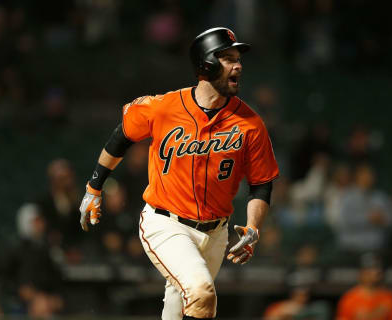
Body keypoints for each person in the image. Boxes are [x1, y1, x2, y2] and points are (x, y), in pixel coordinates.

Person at [79, 27, 279, 320]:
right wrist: (93, 188)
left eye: (238, 58)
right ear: (206, 64)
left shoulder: (250, 123)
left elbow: (262, 184)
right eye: (227, 58)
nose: (238, 65)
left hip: (217, 233)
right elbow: (121, 137)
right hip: (166, 224)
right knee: (201, 292)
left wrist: (253, 227)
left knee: (180, 307)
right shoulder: (163, 108)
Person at [336, 253, 392, 320]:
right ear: (361, 272)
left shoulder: (389, 297)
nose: (375, 272)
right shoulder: (350, 298)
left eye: (377, 269)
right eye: (369, 270)